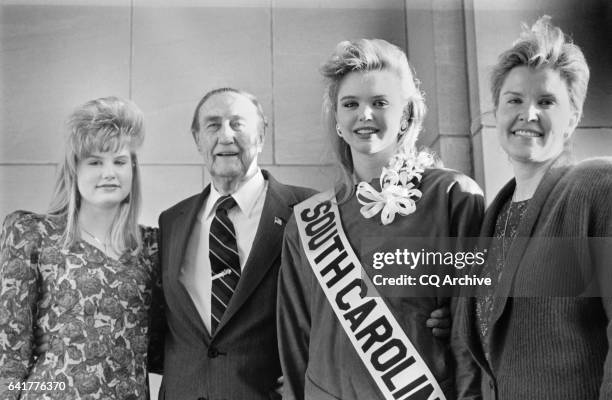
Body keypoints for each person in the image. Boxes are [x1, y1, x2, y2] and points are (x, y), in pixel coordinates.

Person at [277, 38, 484, 400]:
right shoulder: (306, 222)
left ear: (406, 114)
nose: (365, 115)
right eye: (351, 104)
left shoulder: (452, 197)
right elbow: (296, 343)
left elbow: (473, 332)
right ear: (338, 120)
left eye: (380, 103)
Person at [453, 17, 612, 399]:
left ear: (572, 118)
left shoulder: (597, 187)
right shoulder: (493, 216)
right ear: (496, 113)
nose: (528, 114)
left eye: (546, 101)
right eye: (514, 100)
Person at [153, 88, 316, 399]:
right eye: (213, 125)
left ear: (261, 136)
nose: (225, 136)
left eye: (238, 124)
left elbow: (335, 310)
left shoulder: (307, 210)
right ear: (197, 139)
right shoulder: (171, 221)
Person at [0, 97, 159, 399]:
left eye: (119, 161)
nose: (109, 173)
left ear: (133, 169)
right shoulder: (32, 234)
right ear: (75, 169)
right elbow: (8, 348)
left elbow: (174, 345)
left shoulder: (152, 247)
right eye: (96, 162)